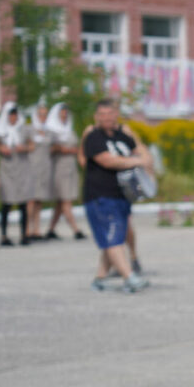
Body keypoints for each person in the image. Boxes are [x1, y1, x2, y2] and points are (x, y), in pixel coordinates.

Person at [82, 99, 153, 292]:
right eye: (102, 114)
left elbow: (144, 154)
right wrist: (135, 162)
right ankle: (129, 277)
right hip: (100, 196)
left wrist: (141, 156)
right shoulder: (93, 137)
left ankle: (99, 279)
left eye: (109, 113)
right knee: (112, 238)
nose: (106, 118)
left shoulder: (122, 136)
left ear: (116, 115)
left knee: (115, 237)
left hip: (121, 196)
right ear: (96, 117)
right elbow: (107, 161)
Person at [0, 103, 33, 246]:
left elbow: (32, 145)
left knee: (23, 203)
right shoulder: (0, 131)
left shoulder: (24, 129)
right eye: (10, 115)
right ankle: (4, 235)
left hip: (22, 168)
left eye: (15, 114)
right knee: (6, 203)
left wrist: (24, 148)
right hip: (7, 169)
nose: (13, 117)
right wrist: (1, 148)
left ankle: (24, 234)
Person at [45, 103, 86, 239]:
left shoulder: (69, 130)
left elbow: (78, 147)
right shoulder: (51, 131)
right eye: (62, 112)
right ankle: (76, 230)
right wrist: (66, 150)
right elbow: (49, 149)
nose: (64, 115)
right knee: (65, 200)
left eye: (66, 112)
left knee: (60, 202)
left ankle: (51, 229)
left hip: (71, 167)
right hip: (59, 168)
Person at [26, 103, 55, 239]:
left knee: (39, 200)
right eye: (40, 114)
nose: (43, 117)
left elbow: (53, 147)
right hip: (32, 167)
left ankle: (37, 229)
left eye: (45, 114)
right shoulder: (29, 130)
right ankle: (27, 228)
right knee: (31, 199)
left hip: (44, 167)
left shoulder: (49, 131)